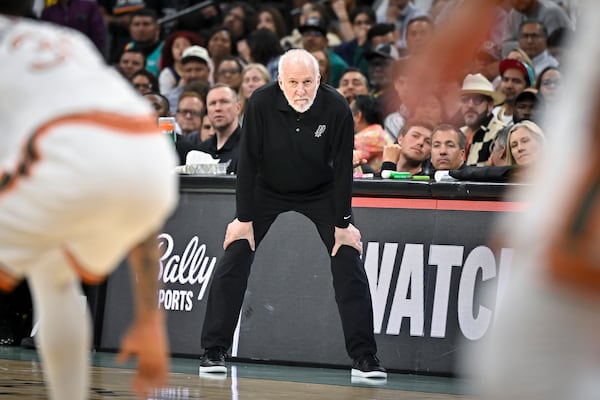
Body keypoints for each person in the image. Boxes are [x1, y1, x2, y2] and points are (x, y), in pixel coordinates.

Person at [0, 2, 177, 399]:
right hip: (151, 159)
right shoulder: (69, 41)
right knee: (54, 276)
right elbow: (125, 167)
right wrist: (149, 318)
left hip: (67, 155)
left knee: (51, 275)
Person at [198, 49, 386, 379]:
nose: (301, 90)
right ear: (280, 81)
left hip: (322, 191)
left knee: (348, 259)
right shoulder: (260, 102)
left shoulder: (337, 106)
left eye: (308, 82)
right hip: (266, 188)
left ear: (320, 79)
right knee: (235, 254)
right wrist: (243, 219)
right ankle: (213, 350)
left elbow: (343, 169)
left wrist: (343, 223)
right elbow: (248, 163)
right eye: (293, 82)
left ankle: (365, 357)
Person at [458, 73, 506, 166]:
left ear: (490, 105)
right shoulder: (459, 133)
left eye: (478, 100)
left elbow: (495, 170)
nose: (470, 105)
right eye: (465, 100)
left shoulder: (500, 132)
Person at [196, 83, 242, 174]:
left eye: (224, 102)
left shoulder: (250, 148)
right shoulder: (201, 151)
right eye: (212, 103)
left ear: (238, 108)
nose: (217, 108)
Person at [350, 94, 393, 174]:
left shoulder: (370, 136)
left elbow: (341, 157)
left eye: (349, 113)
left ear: (358, 116)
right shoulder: (376, 132)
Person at [493, 58, 534, 125]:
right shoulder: (494, 112)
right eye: (506, 80)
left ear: (527, 87)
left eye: (516, 81)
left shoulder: (529, 119)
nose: (509, 86)